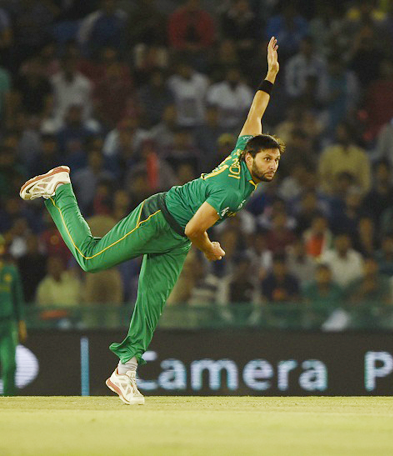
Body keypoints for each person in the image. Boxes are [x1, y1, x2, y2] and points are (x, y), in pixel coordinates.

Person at [18, 38, 284, 406]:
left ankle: (125, 371)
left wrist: (271, 74)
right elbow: (195, 229)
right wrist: (209, 249)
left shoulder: (244, 148)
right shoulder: (231, 190)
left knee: (151, 306)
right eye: (267, 159)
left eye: (276, 160)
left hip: (174, 239)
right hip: (159, 218)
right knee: (91, 259)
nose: (273, 166)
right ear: (251, 157)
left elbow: (257, 109)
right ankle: (60, 188)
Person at [0, 235, 25, 396]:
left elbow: (18, 300)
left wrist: (21, 324)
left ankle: (8, 400)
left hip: (7, 324)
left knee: (10, 365)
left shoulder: (11, 272)